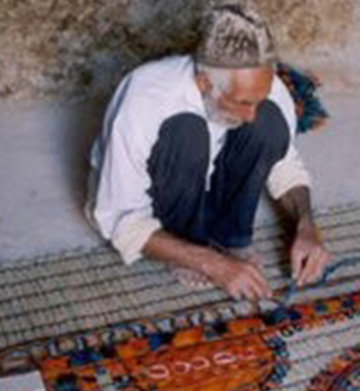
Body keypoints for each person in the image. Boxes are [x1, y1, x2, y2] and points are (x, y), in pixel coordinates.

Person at [86, 1, 331, 300]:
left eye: (258, 97)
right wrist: (212, 263)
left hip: (217, 181)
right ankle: (190, 244)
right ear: (204, 83)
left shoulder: (265, 89)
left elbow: (284, 167)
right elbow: (120, 220)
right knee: (186, 132)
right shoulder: (146, 100)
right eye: (242, 103)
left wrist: (306, 225)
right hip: (160, 196)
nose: (250, 114)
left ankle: (231, 237)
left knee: (269, 121)